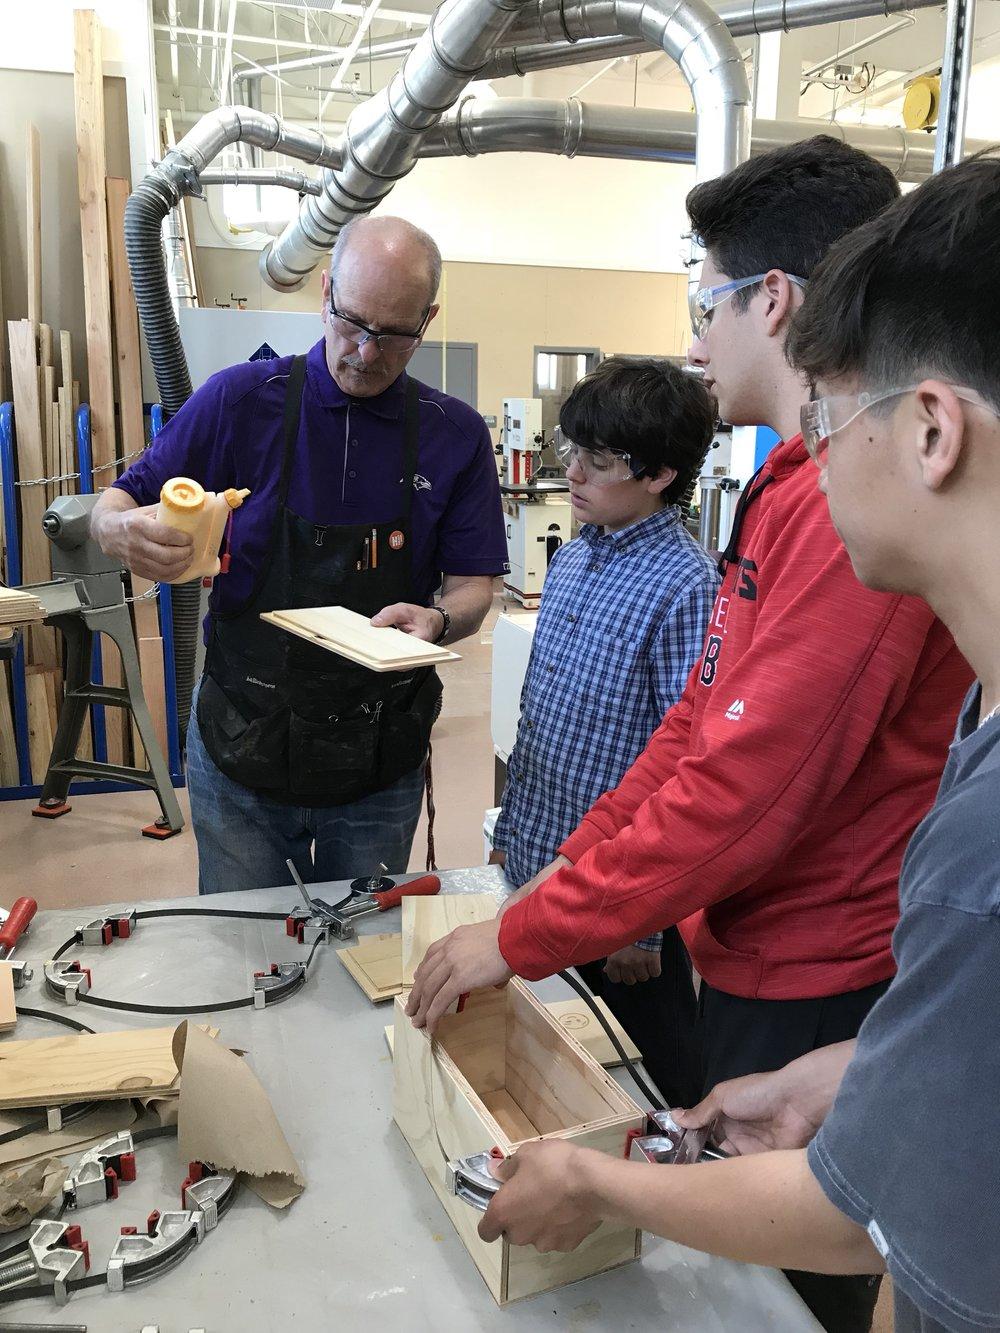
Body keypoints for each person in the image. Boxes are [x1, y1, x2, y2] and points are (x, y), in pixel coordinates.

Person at [406, 138, 974, 1332]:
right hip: (779, 986)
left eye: (700, 304)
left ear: (929, 428)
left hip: (818, 962)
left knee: (784, 1296)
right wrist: (565, 880)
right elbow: (697, 729)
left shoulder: (844, 521)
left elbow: (747, 789)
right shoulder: (785, 495)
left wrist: (544, 930)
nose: (695, 339)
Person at [92, 216, 508, 893]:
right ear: (324, 293)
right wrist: (118, 532)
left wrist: (436, 621)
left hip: (378, 760)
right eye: (351, 324)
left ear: (427, 320)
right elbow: (116, 500)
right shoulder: (238, 401)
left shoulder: (452, 435)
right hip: (242, 752)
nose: (367, 353)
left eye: (395, 334)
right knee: (242, 954)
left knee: (359, 958)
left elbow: (473, 588)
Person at [491, 356, 720, 1106]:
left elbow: (687, 770)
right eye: (571, 451)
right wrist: (511, 835)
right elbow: (541, 716)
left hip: (619, 913)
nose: (574, 473)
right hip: (540, 861)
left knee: (647, 1081)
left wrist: (645, 926)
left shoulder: (687, 586)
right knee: (544, 1062)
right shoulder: (573, 559)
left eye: (598, 459)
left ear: (659, 474)